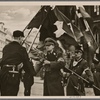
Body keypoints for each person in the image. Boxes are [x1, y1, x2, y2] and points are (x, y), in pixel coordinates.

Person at [0, 30, 35, 96]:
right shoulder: (21, 49)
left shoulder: (6, 47)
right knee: (12, 93)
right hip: (13, 73)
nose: (22, 40)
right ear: (19, 38)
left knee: (3, 93)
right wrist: (32, 72)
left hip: (3, 73)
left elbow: (4, 60)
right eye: (22, 38)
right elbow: (26, 62)